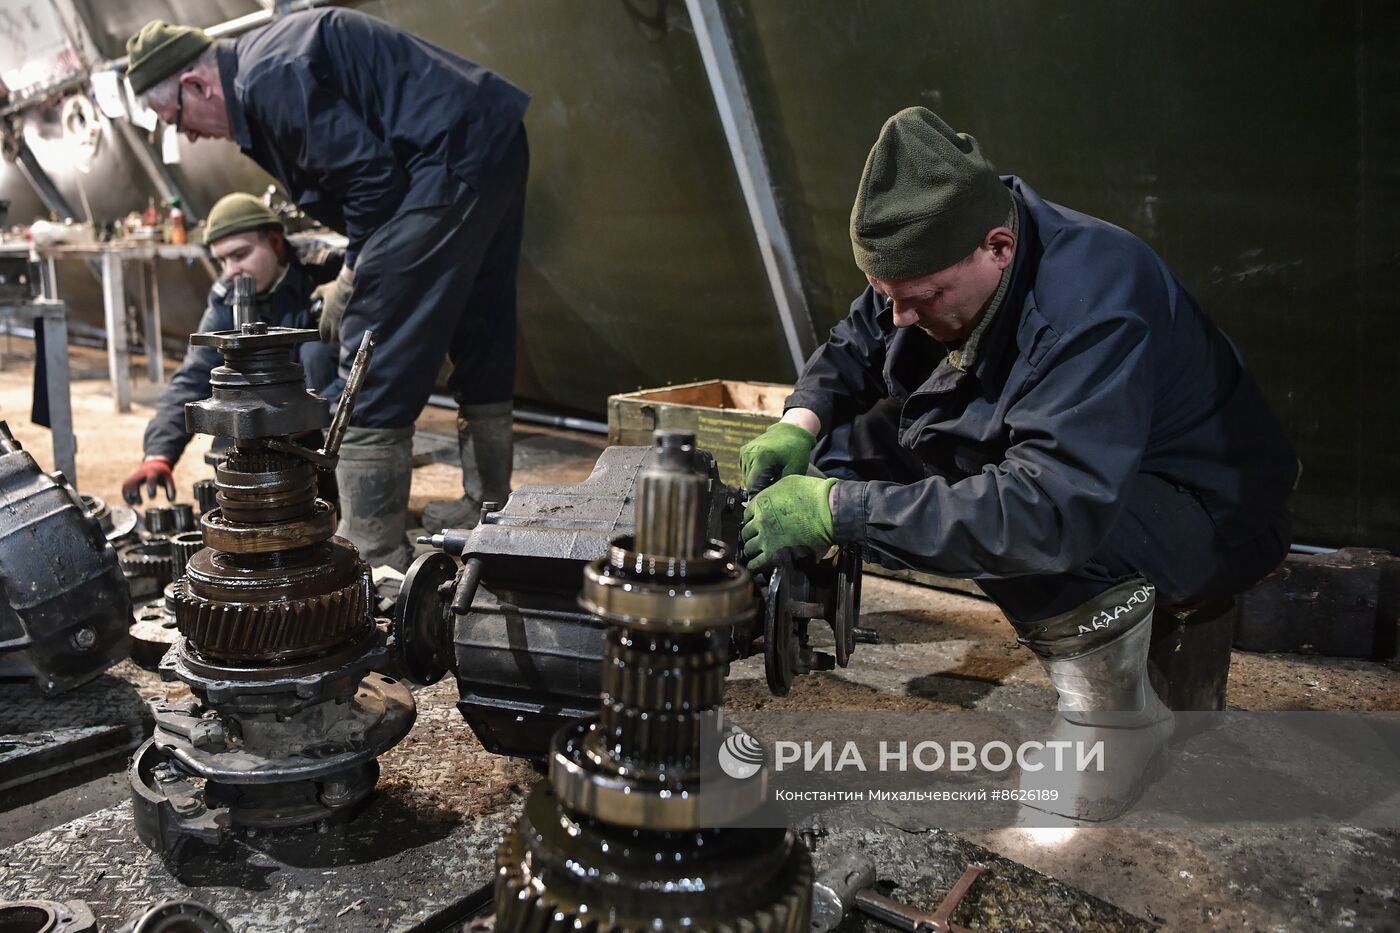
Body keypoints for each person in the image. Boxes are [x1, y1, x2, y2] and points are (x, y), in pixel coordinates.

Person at [738, 108, 1298, 819]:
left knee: (1009, 523)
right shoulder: (941, 246)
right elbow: (861, 337)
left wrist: (840, 513)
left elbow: (1049, 508)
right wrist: (801, 420)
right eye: (889, 294)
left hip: (1208, 508)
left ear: (998, 248)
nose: (901, 315)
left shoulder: (1094, 301)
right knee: (850, 447)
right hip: (1090, 468)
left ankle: (1114, 726)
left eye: (923, 298)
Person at [124, 9, 529, 570]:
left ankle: (376, 550)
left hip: (443, 156)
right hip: (490, 137)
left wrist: (351, 274)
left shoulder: (268, 78)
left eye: (175, 117)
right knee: (480, 321)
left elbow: (373, 184)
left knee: (373, 342)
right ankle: (489, 509)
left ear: (196, 84)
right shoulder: (266, 68)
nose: (187, 133)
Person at [122, 193, 341, 507]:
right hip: (261, 430)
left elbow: (359, 366)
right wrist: (158, 454)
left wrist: (307, 415)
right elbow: (194, 376)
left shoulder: (326, 272)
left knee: (318, 354)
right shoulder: (226, 297)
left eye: (240, 255)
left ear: (276, 241)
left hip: (322, 428)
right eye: (222, 260)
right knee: (232, 420)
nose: (231, 269)